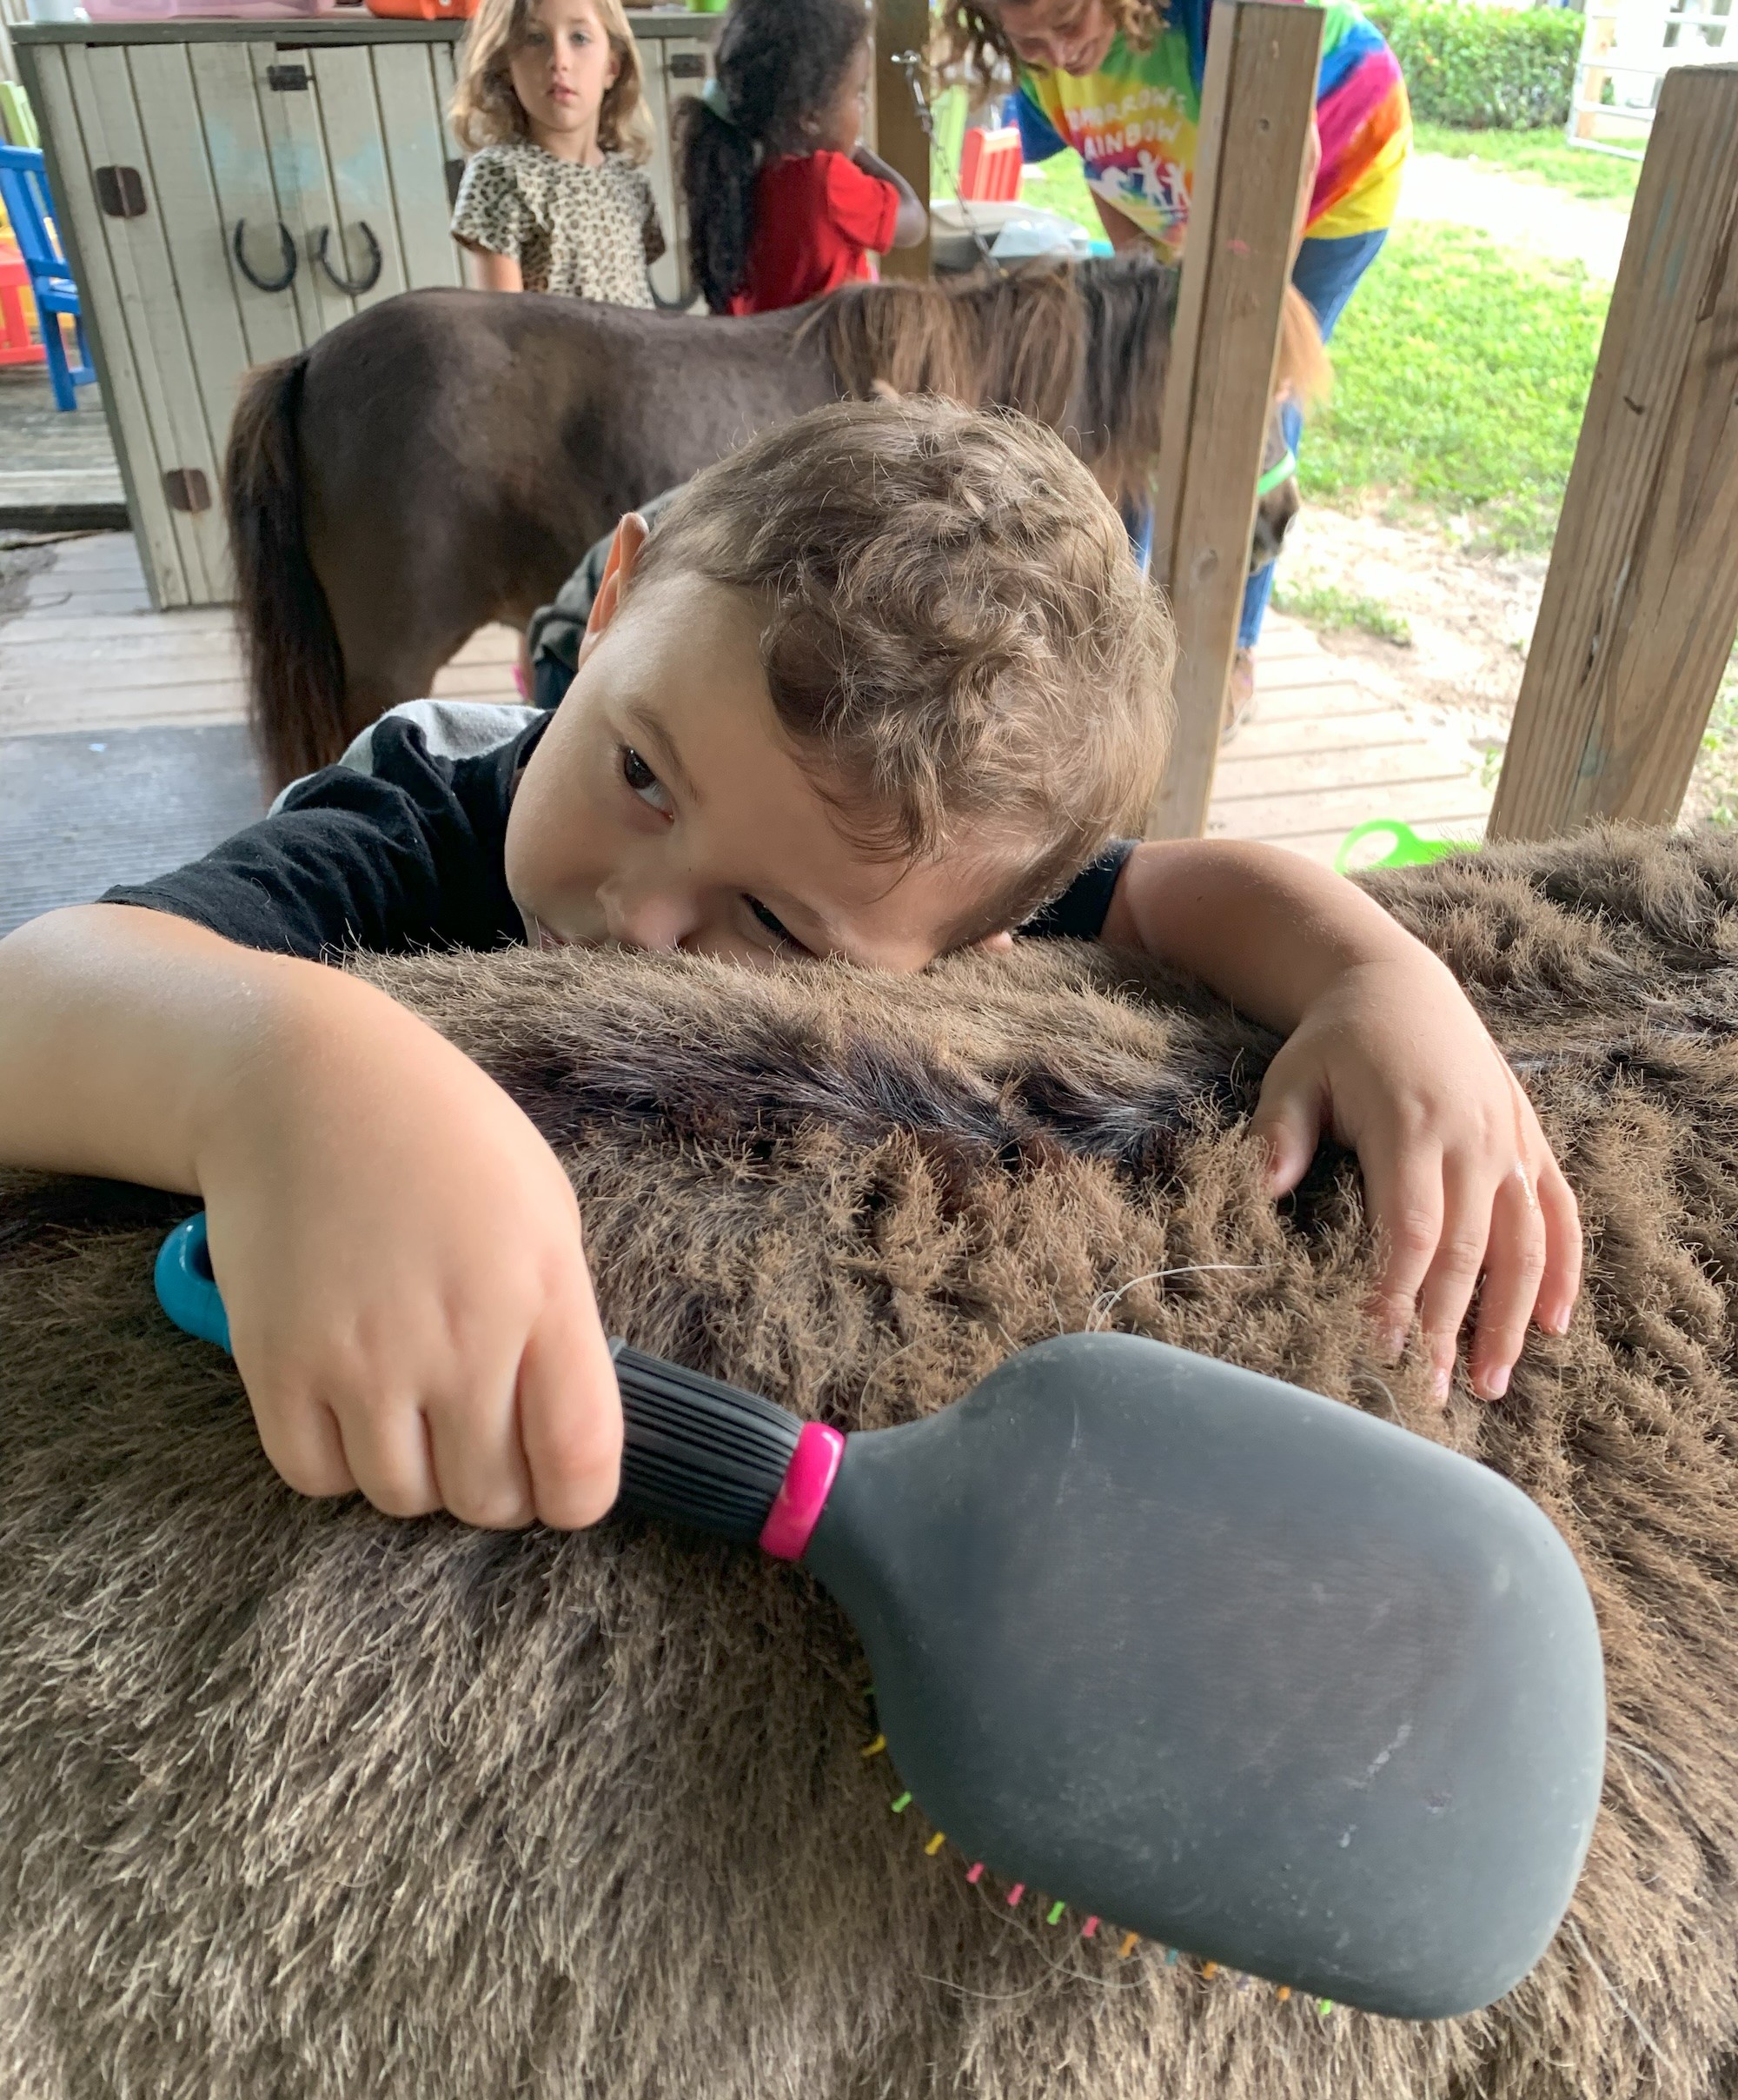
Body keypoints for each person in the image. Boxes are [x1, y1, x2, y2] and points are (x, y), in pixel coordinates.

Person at [0, 402, 1576, 1536]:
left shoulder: (951, 864)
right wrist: (290, 1069)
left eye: (773, 924)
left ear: (968, 950)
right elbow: (41, 989)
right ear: (611, 600)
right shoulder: (414, 807)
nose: (639, 906)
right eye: (637, 774)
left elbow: (1169, 895)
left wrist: (1381, 977)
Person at [943, 0, 1410, 728]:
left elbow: (1289, 153)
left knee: (1253, 391)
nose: (1056, 56)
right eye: (1027, 45)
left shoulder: (1203, 16)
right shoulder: (1043, 64)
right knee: (1137, 390)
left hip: (1325, 180)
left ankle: (1231, 649)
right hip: (1183, 185)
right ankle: (1117, 619)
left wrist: (1245, 323)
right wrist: (1143, 277)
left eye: (1067, 28)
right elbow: (1106, 164)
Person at [679, 0, 926, 315]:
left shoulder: (740, 169)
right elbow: (914, 223)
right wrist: (860, 152)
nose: (862, 107)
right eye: (858, 93)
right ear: (811, 117)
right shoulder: (827, 180)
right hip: (825, 357)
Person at [449, 0, 665, 307]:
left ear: (612, 67)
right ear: (506, 65)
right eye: (535, 39)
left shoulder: (630, 182)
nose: (559, 61)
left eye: (579, 38)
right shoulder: (502, 175)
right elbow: (501, 326)